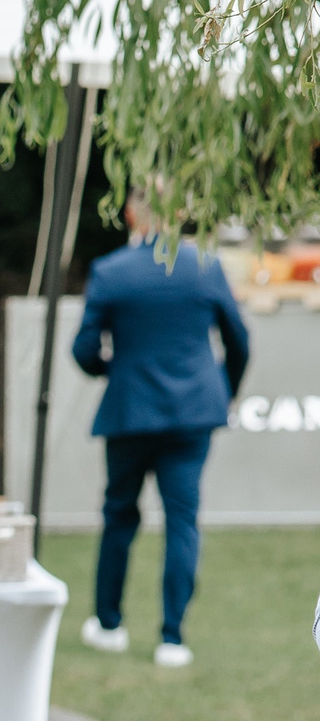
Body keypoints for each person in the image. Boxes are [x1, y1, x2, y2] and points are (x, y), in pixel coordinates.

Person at [73, 194, 250, 668]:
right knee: (182, 521)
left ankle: (108, 625)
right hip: (192, 414)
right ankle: (173, 638)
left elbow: (84, 349)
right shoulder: (205, 266)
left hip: (130, 411)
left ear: (131, 214)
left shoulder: (111, 270)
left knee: (119, 514)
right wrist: (224, 391)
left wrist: (113, 369)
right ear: (178, 215)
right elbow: (238, 339)